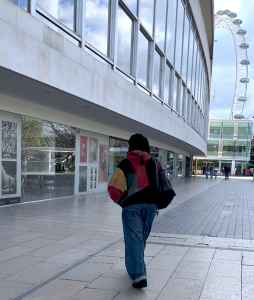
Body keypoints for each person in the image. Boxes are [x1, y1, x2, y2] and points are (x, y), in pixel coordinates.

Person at [108, 134, 160, 289]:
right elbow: (160, 185)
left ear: (131, 146)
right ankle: (136, 267)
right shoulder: (155, 163)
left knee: (134, 240)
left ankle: (138, 275)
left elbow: (114, 189)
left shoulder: (124, 164)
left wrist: (123, 202)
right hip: (151, 207)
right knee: (141, 239)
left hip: (132, 208)